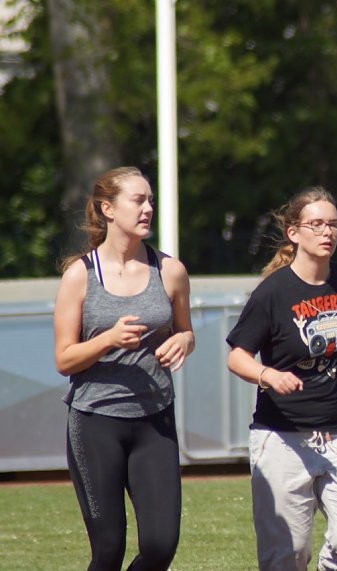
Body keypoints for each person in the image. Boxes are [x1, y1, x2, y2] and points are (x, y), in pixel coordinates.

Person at [225, 186, 337, 571]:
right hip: (282, 437)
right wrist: (268, 375)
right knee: (287, 555)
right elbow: (237, 356)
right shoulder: (272, 292)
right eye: (316, 224)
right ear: (294, 233)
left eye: (333, 224)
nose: (327, 232)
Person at [53, 166, 195, 571]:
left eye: (150, 200)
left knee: (160, 545)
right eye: (138, 200)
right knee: (109, 550)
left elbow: (186, 331)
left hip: (155, 421)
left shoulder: (170, 271)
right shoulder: (80, 275)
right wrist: (107, 339)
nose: (148, 208)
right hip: (95, 421)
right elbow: (64, 359)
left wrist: (183, 340)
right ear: (108, 209)